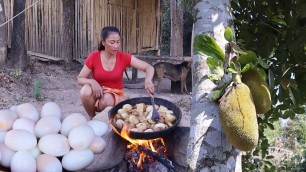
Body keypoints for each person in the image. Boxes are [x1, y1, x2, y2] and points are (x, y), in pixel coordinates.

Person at [77, 26, 155, 119]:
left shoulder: (123, 57)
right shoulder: (94, 56)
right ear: (103, 42)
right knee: (85, 90)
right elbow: (80, 79)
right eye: (112, 42)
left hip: (114, 96)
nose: (116, 46)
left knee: (107, 99)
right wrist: (92, 82)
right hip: (97, 93)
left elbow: (148, 67)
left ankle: (110, 119)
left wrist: (148, 80)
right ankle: (92, 118)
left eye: (118, 42)